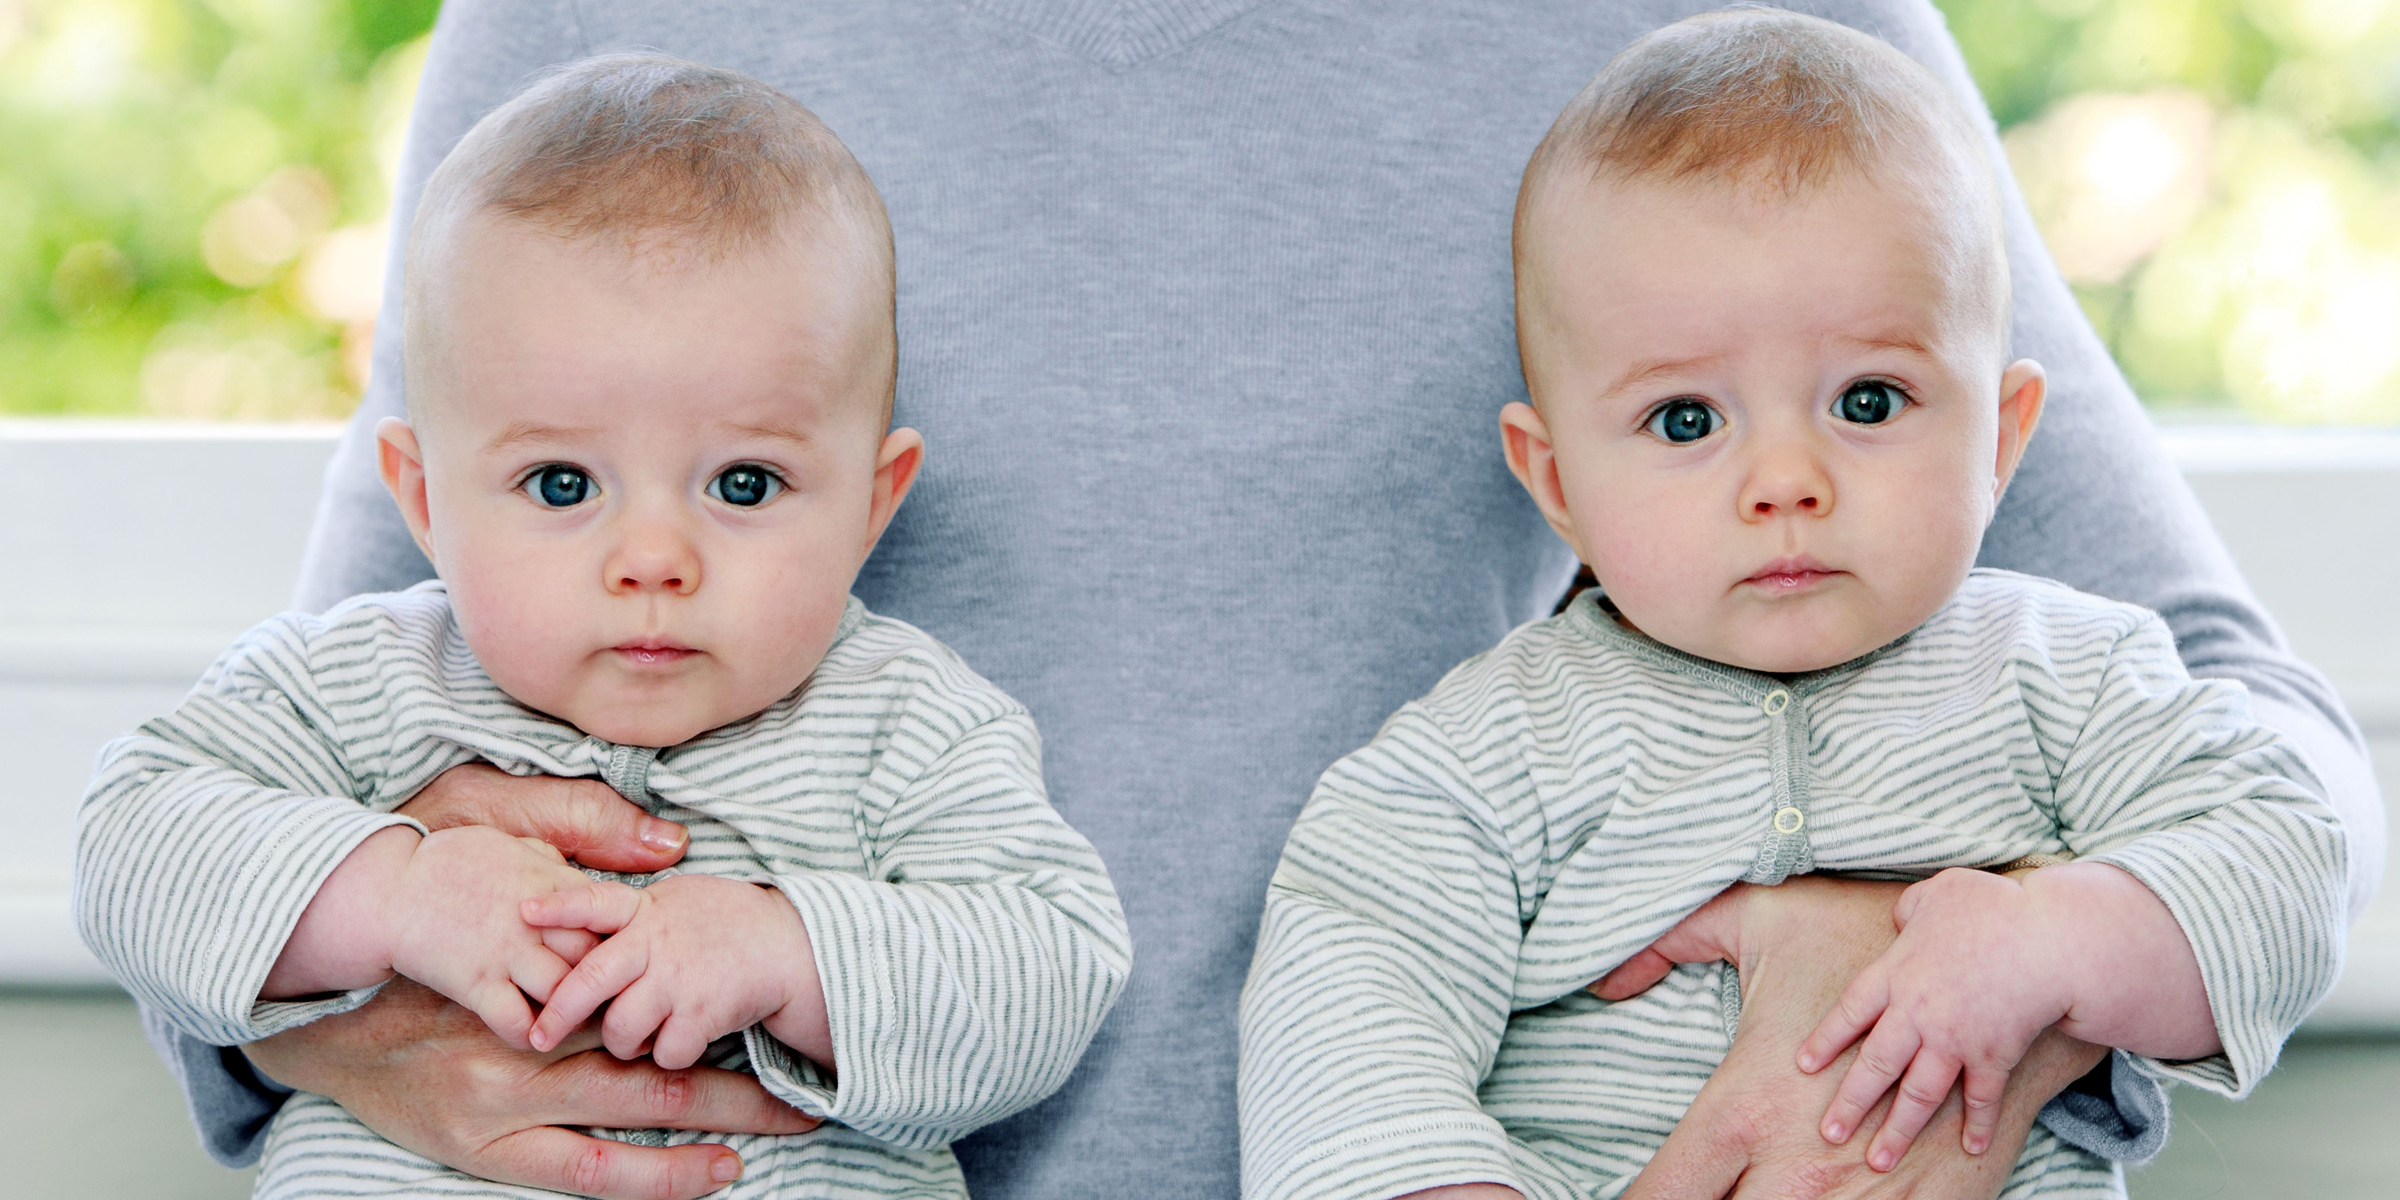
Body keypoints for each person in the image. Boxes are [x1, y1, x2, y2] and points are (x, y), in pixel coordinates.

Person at [142, 2, 2384, 1198]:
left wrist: (1973, 964)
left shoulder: (1751, 53)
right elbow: (341, 717)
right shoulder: (583, 22)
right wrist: (383, 966)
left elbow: (2241, 730)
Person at [1236, 13, 2347, 1200]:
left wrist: (2059, 939)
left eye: (1869, 401)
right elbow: (1348, 985)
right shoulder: (1490, 752)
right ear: (1558, 483)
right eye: (1686, 421)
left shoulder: (2067, 678)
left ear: (2002, 438)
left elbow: (2285, 850)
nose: (1785, 483)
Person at [79, 55, 1130, 1199]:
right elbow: (131, 842)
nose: (652, 563)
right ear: (424, 499)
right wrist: (390, 893)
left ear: (872, 504)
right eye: (563, 486)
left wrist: (789, 956)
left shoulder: (908, 726)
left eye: (743, 485)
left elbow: (1052, 968)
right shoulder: (356, 686)